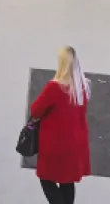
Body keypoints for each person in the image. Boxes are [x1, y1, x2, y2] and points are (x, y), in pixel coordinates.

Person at [26, 47, 92, 204]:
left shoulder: (54, 88)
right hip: (76, 141)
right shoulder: (83, 86)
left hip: (55, 143)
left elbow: (36, 110)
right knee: (67, 180)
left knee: (46, 178)